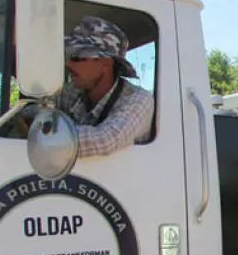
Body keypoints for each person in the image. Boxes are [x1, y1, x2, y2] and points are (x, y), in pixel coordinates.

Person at [15, 16, 154, 157]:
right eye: (67, 57)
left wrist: (43, 130)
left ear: (105, 63)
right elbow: (35, 109)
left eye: (76, 57)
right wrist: (30, 118)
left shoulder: (139, 100)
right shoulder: (72, 91)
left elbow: (104, 140)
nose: (68, 64)